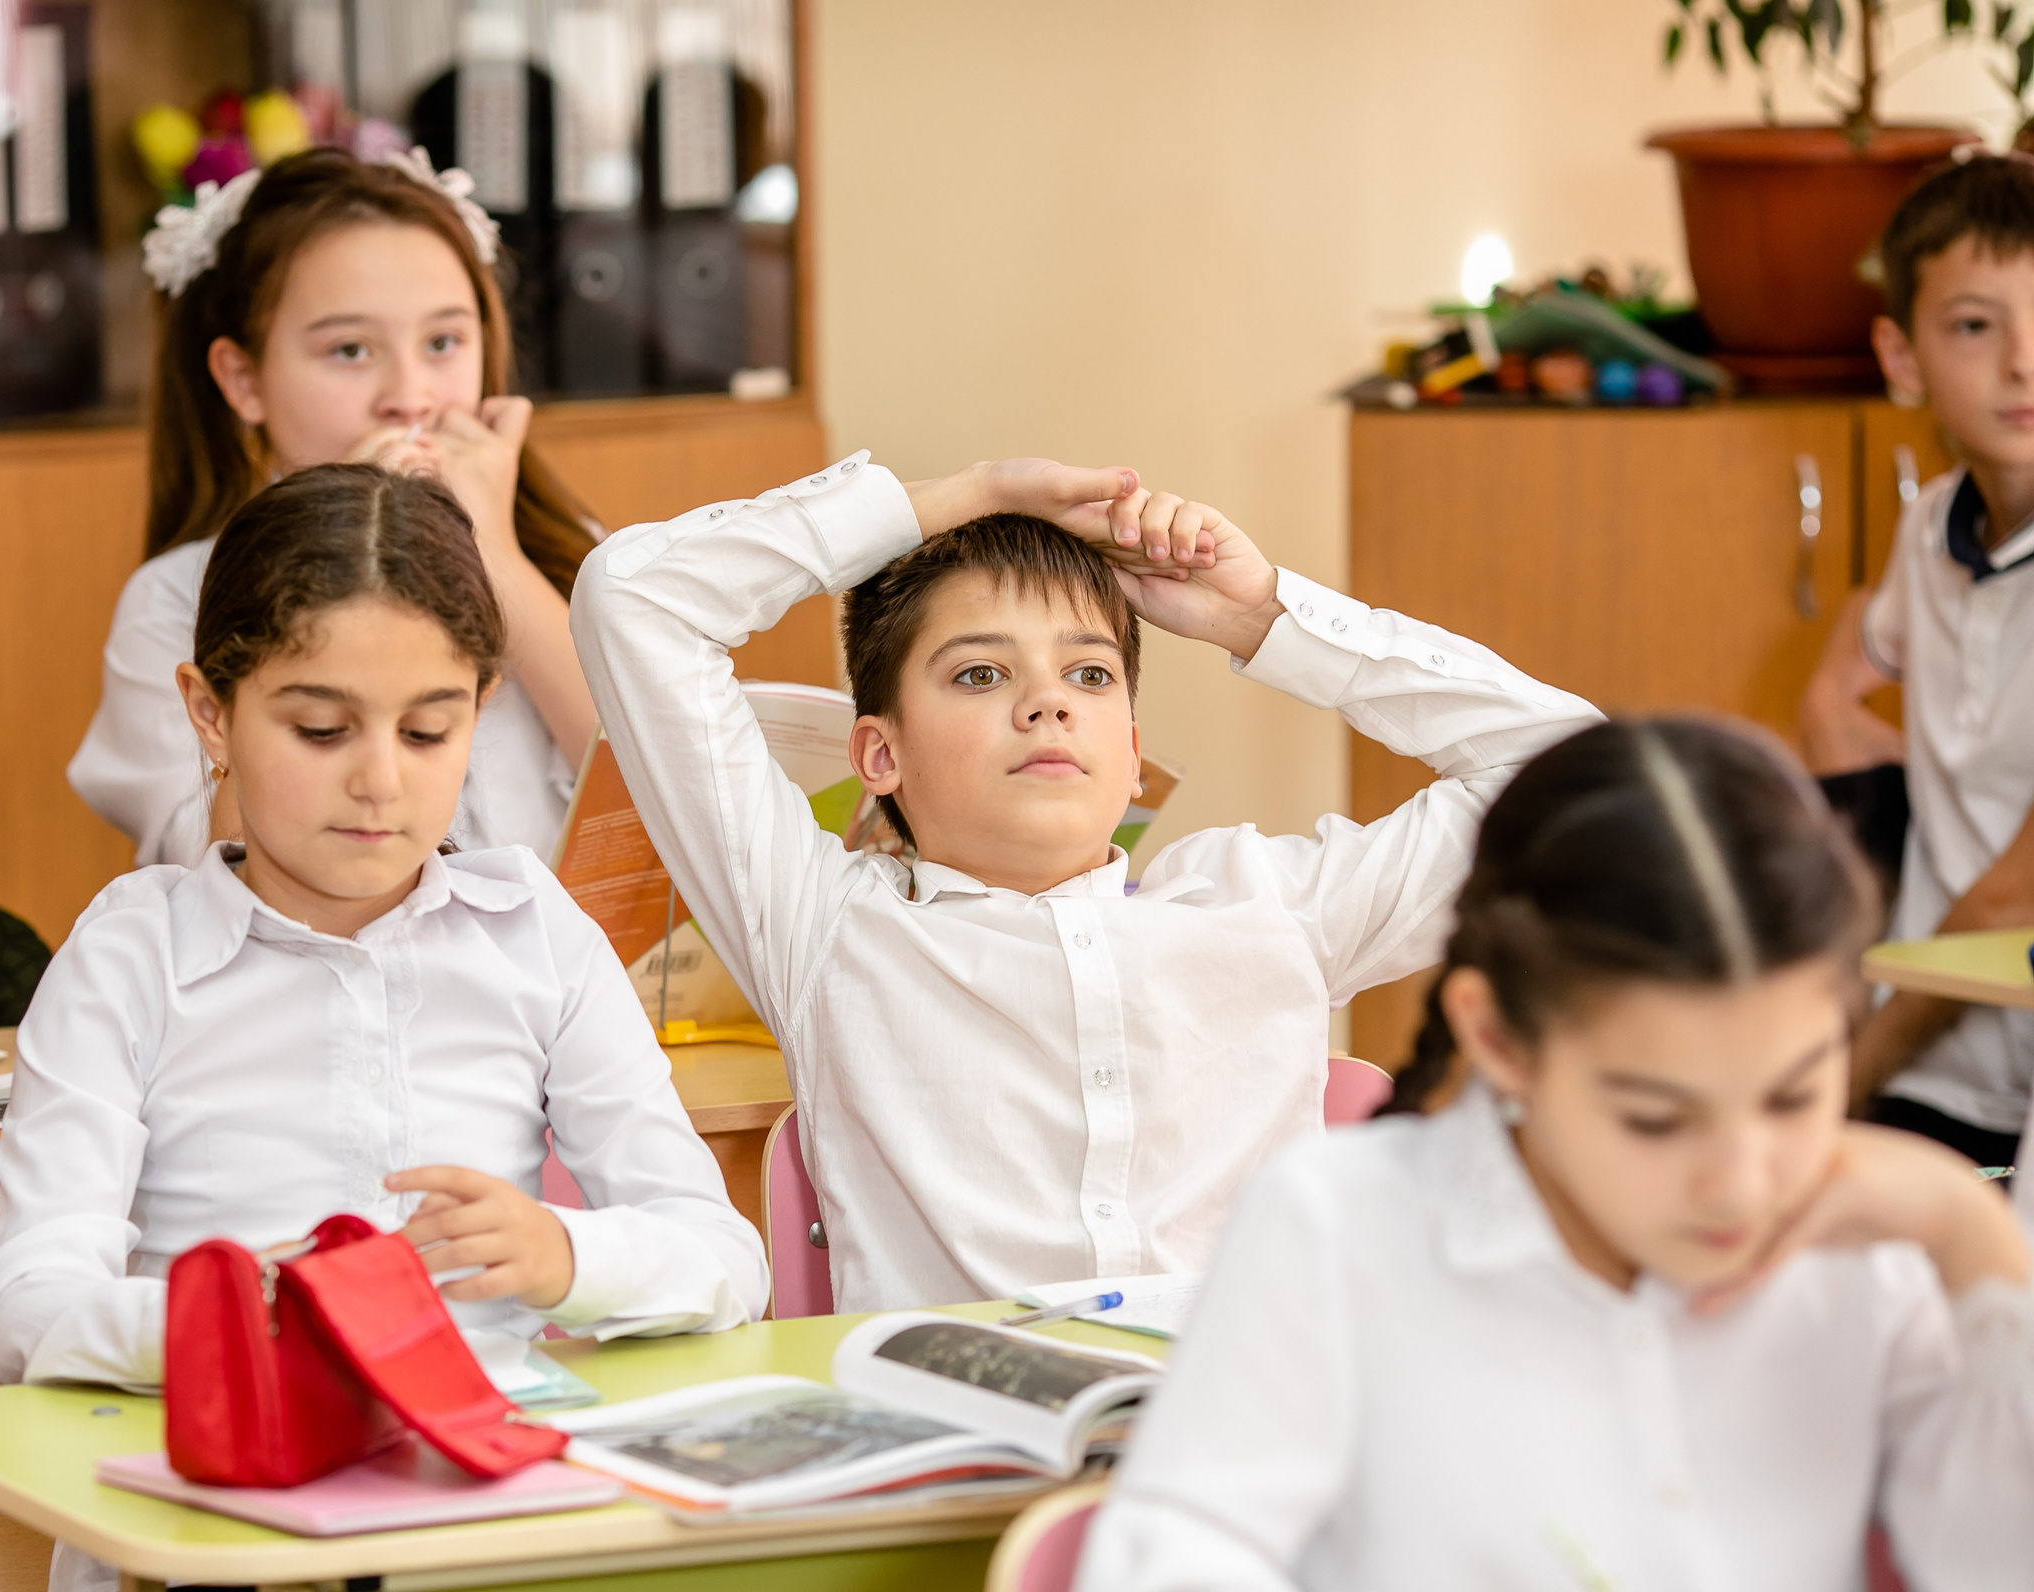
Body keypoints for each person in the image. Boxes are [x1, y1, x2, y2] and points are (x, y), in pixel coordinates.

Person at [0, 464, 765, 1592]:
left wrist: (563, 1256)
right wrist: (243, 1321)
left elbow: (723, 1257)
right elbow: (27, 1309)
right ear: (208, 709)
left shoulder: (533, 933)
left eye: (428, 728)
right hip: (215, 1540)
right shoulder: (133, 953)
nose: (380, 781)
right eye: (319, 727)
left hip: (491, 1507)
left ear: (481, 709)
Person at [1062, 716, 2034, 1592]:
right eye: (1656, 1120)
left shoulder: (1859, 1235)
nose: (1743, 1180)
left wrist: (1977, 1245)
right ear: (1499, 1039)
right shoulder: (1342, 1228)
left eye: (1794, 1097)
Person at [570, 454, 1599, 1309]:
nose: (1046, 704)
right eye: (980, 673)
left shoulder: (1263, 907)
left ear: (1132, 746)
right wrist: (961, 497)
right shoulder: (824, 927)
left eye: (1089, 674)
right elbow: (636, 598)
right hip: (960, 1473)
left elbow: (1582, 781)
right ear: (877, 757)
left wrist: (1260, 618)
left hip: (1249, 1444)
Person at [69, 147, 600, 867]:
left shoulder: (571, 559)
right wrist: (343, 542)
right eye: (351, 350)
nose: (411, 393)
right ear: (243, 378)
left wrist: (495, 555)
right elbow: (215, 858)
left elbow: (660, 798)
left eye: (443, 342)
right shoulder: (172, 601)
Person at [1799, 152, 2034, 1169]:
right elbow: (1859, 651)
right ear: (1901, 358)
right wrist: (1830, 712)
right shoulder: (1931, 525)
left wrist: (1839, 1080)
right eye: (1976, 326)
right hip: (1932, 1064)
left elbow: (2015, 896)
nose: (2025, 362)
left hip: (1952, 1055)